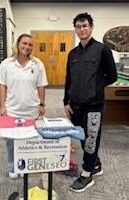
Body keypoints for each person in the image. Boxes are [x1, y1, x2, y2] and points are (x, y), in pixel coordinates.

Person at [63, 13, 117, 192]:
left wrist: (95, 88)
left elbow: (112, 76)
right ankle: (96, 164)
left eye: (85, 25)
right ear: (75, 29)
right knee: (82, 137)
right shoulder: (73, 54)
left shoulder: (102, 50)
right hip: (76, 105)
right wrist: (66, 101)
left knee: (91, 139)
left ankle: (87, 174)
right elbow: (68, 79)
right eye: (78, 26)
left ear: (91, 27)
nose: (82, 29)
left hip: (94, 106)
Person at [0, 33, 48, 178]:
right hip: (12, 109)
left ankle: (25, 165)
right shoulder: (6, 64)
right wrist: (2, 106)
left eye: (30, 45)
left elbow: (41, 86)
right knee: (11, 141)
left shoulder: (37, 64)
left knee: (28, 140)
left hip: (31, 109)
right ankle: (12, 167)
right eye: (24, 43)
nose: (27, 47)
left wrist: (42, 104)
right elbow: (2, 86)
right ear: (18, 44)